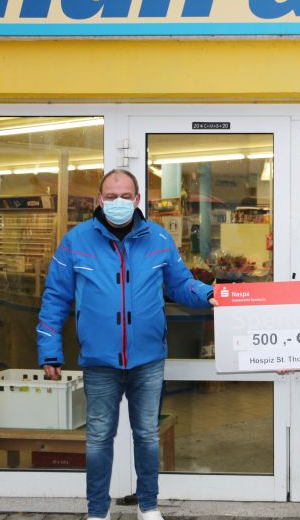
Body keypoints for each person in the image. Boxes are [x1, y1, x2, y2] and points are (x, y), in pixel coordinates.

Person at [37, 169, 218, 520]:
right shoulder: (76, 241)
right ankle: (97, 512)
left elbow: (182, 285)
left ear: (137, 200)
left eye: (125, 196)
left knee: (147, 436)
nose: (118, 202)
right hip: (99, 361)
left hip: (147, 360)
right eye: (111, 195)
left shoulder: (159, 240)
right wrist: (50, 351)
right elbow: (54, 299)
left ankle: (148, 507)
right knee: (99, 438)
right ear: (99, 199)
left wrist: (211, 295)